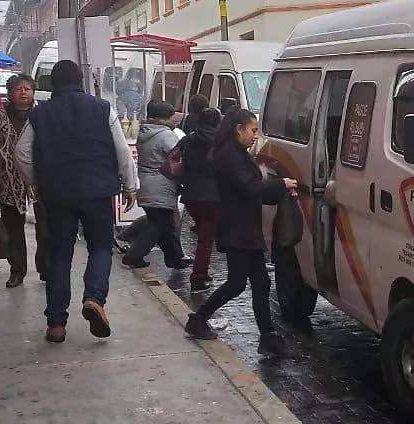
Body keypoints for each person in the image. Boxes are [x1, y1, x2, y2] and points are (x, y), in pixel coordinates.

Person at [15, 60, 138, 344]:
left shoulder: (40, 114)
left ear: (52, 84)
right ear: (81, 80)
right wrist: (131, 186)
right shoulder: (102, 109)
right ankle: (94, 298)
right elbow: (122, 150)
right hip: (98, 192)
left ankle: (56, 324)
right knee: (100, 247)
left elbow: (21, 152)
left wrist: (39, 180)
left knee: (59, 254)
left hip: (57, 194)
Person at [184, 109, 297, 357]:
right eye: (253, 130)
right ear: (239, 129)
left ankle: (267, 337)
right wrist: (281, 185)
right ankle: (199, 318)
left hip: (245, 227)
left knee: (261, 282)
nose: (255, 135)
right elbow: (250, 187)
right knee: (236, 284)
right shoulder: (229, 156)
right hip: (238, 228)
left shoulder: (237, 153)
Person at [0, 73, 49, 288]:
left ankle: (45, 268)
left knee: (45, 226)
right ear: (10, 93)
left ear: (33, 92)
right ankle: (17, 270)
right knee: (13, 228)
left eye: (28, 89)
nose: (23, 93)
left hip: (41, 180)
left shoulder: (42, 114)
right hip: (7, 179)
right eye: (18, 89)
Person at [122, 99, 190, 270]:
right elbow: (177, 157)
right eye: (171, 117)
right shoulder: (166, 135)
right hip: (161, 185)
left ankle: (174, 258)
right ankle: (134, 255)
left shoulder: (145, 132)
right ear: (163, 118)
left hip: (146, 184)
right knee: (157, 224)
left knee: (163, 224)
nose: (174, 120)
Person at [178, 107, 221, 292]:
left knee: (204, 236)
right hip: (212, 196)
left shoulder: (188, 139)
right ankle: (199, 276)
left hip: (190, 195)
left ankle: (201, 271)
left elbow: (174, 158)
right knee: (206, 238)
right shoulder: (220, 142)